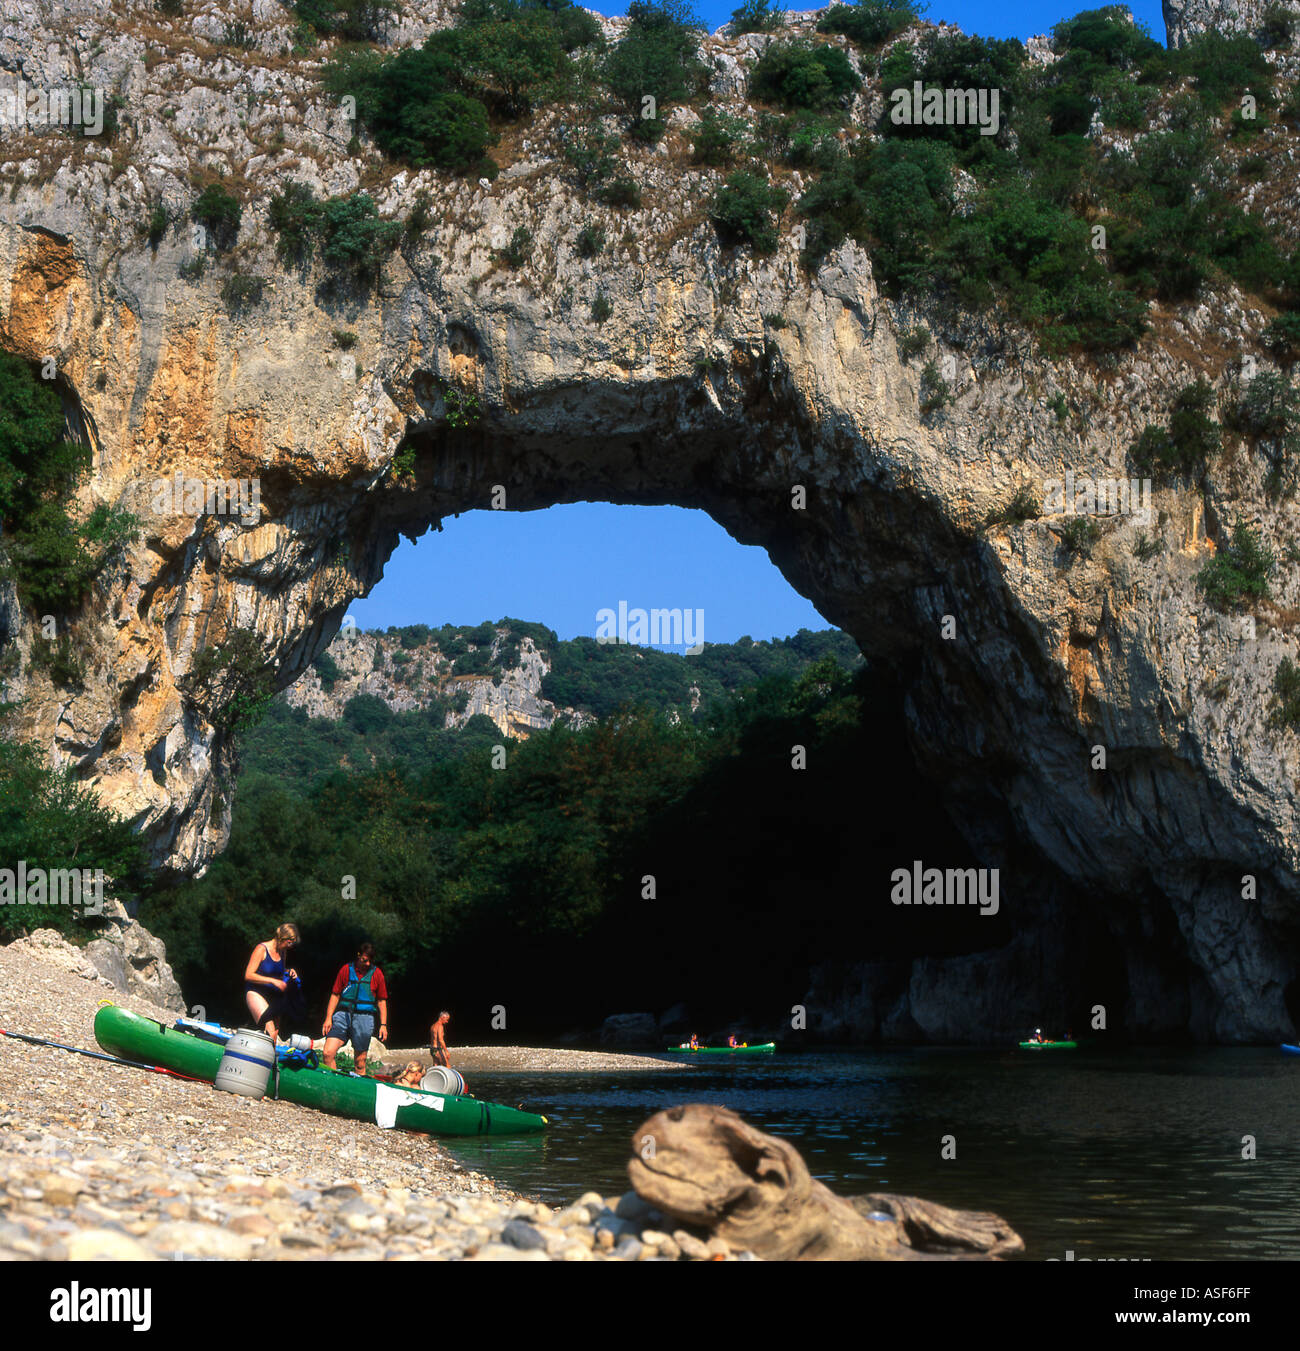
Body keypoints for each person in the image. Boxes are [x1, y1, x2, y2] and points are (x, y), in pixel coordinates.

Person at [322, 943, 388, 1075]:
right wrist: (328, 1018)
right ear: (358, 956)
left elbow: (381, 1001)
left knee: (360, 1062)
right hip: (343, 1015)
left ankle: (357, 1090)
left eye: (370, 960)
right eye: (365, 960)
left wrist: (383, 1025)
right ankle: (334, 1086)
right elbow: (335, 994)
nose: (368, 963)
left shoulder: (377, 974)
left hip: (365, 1017)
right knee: (328, 1053)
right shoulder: (346, 970)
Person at [243, 923, 300, 1041]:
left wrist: (289, 971)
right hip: (256, 992)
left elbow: (276, 972)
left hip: (273, 995)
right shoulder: (261, 949)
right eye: (289, 943)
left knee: (274, 1034)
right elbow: (248, 975)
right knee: (269, 1027)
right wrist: (273, 981)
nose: (290, 947)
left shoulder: (282, 952)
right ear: (282, 938)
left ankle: (268, 1058)